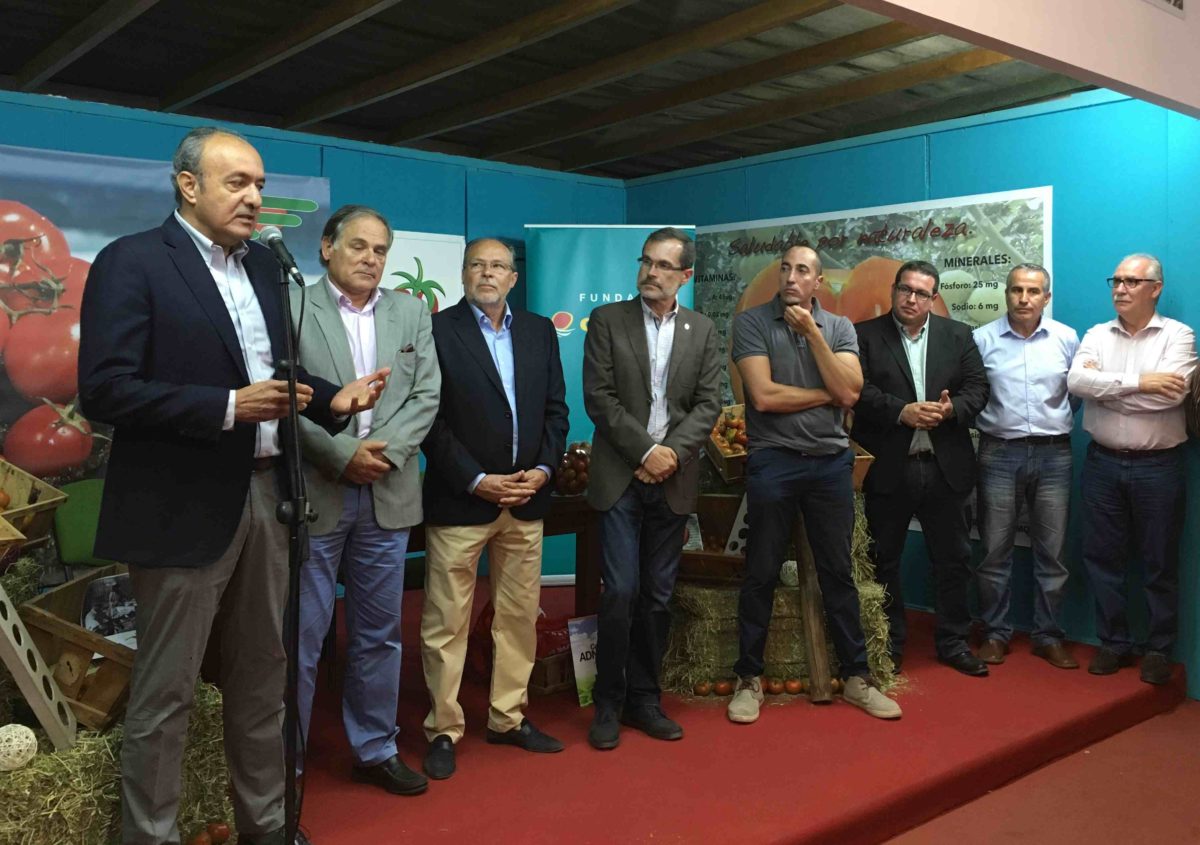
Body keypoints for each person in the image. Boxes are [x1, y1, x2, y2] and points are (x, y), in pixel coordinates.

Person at [78, 126, 389, 845]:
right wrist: (226, 407)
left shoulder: (266, 271)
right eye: (237, 182)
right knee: (167, 692)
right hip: (180, 505)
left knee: (263, 680)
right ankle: (150, 836)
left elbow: (274, 376)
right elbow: (105, 389)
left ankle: (268, 826)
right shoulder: (133, 261)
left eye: (260, 185)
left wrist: (331, 396)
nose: (254, 197)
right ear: (188, 185)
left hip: (272, 500)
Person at [291, 205, 440, 796]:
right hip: (317, 492)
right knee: (301, 638)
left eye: (380, 250)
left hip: (388, 490)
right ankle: (284, 770)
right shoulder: (292, 306)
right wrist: (340, 454)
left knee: (380, 633)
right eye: (358, 246)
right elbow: (282, 398)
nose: (371, 259)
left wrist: (384, 453)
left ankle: (375, 748)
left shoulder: (410, 312)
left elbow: (426, 394)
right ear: (327, 247)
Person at [726, 246, 901, 724]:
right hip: (774, 461)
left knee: (838, 572)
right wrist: (828, 395)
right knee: (761, 570)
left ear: (817, 282)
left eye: (802, 270)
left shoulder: (839, 327)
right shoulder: (752, 323)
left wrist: (812, 334)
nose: (790, 276)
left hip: (829, 465)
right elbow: (763, 396)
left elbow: (852, 392)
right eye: (785, 268)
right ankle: (748, 679)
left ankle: (858, 678)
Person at [419, 237, 569, 779]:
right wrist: (477, 479)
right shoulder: (436, 331)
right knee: (446, 621)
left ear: (513, 278)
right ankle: (443, 727)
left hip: (525, 499)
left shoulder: (538, 331)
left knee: (518, 617)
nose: (488, 273)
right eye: (477, 265)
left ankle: (508, 717)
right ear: (463, 275)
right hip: (462, 499)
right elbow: (429, 419)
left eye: (498, 266)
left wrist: (544, 469)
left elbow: (556, 410)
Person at [582, 227, 722, 750]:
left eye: (664, 265)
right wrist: (646, 452)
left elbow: (708, 403)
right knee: (621, 591)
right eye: (646, 262)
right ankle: (608, 701)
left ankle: (645, 699)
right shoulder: (607, 320)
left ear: (685, 275)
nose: (651, 272)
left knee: (658, 597)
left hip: (673, 479)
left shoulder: (702, 329)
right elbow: (599, 398)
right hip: (621, 475)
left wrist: (669, 456)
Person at [852, 260, 990, 677]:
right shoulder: (864, 335)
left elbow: (979, 389)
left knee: (953, 560)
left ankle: (953, 642)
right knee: (884, 558)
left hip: (945, 466)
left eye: (921, 293)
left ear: (934, 298)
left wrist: (950, 410)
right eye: (905, 289)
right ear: (894, 290)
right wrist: (902, 411)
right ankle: (890, 643)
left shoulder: (958, 335)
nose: (911, 299)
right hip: (890, 466)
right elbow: (857, 391)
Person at [1068, 253, 1197, 685]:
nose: (1120, 289)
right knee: (1102, 558)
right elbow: (1076, 383)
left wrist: (1106, 388)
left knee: (1160, 562)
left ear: (1155, 289)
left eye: (1131, 282)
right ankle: (1113, 642)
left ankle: (1159, 649)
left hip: (1158, 467)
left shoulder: (1178, 336)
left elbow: (1171, 397)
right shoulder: (1096, 334)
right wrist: (1141, 381)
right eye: (1116, 281)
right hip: (1102, 463)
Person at [973, 264, 1080, 669]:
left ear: (1046, 297)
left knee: (1053, 553)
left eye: (1033, 291)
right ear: (1006, 293)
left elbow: (1074, 395)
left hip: (1054, 454)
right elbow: (974, 393)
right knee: (994, 551)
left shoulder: (1066, 338)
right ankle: (995, 633)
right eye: (1016, 290)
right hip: (998, 453)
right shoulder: (982, 339)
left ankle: (1048, 636)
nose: (1023, 298)